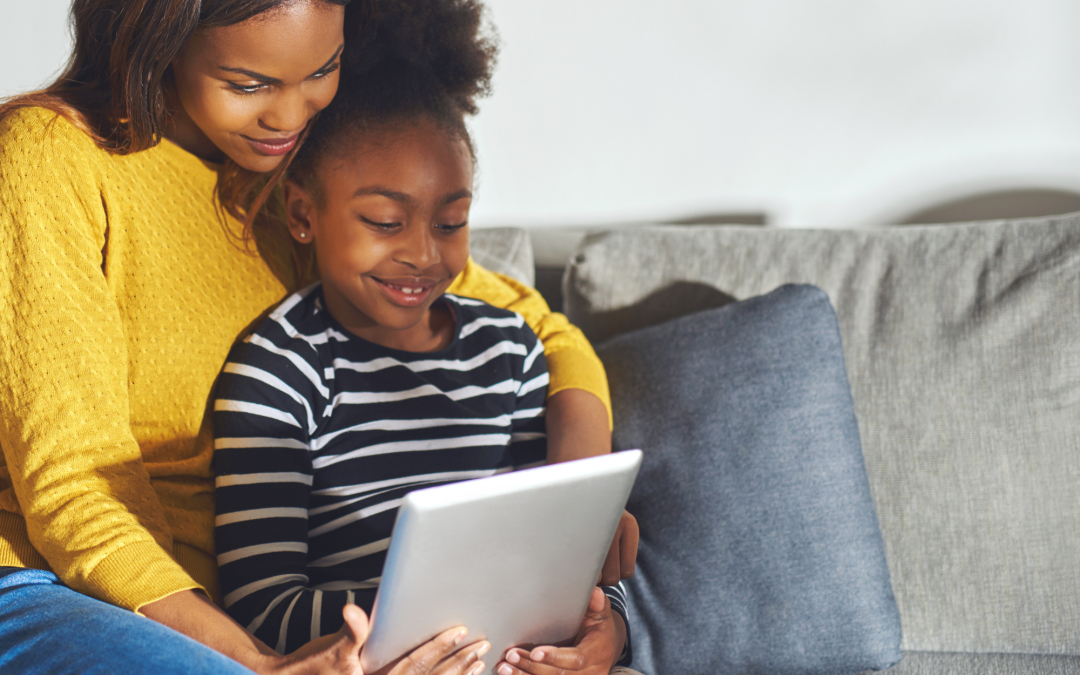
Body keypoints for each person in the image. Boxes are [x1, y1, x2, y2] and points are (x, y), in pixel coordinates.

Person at [0, 0, 635, 673]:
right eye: (250, 84)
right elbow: (74, 490)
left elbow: (545, 332)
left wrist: (580, 524)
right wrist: (262, 664)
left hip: (235, 614)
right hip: (51, 583)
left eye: (322, 70)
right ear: (163, 39)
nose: (292, 115)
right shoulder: (49, 158)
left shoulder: (297, 179)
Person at [212, 3, 632, 674]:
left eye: (450, 222)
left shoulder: (511, 352)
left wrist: (607, 630)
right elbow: (261, 605)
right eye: (384, 220)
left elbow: (567, 561)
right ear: (302, 214)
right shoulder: (280, 369)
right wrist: (422, 619)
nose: (421, 255)